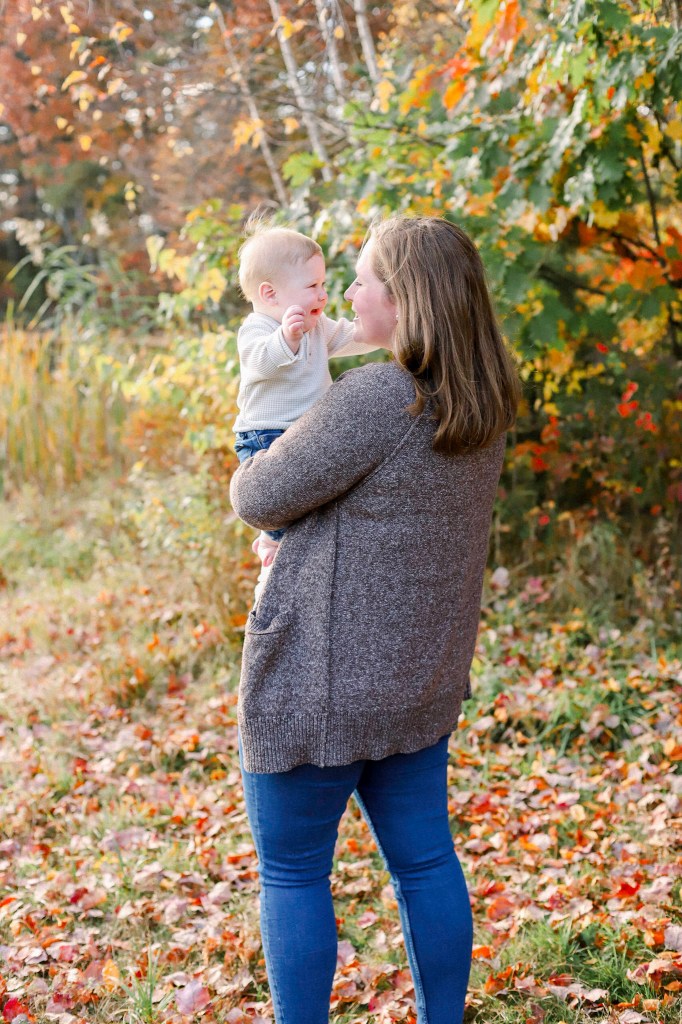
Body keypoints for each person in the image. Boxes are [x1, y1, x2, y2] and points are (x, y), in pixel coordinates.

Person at [229, 215, 520, 1024]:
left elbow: (257, 495)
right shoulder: (481, 400)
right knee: (425, 864)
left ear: (407, 298)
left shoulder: (376, 397)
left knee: (293, 873)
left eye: (363, 280)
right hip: (419, 682)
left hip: (321, 687)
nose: (349, 294)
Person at [234, 221, 378, 586]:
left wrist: (387, 333)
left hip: (306, 434)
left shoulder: (316, 327)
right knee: (284, 507)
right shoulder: (257, 330)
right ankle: (272, 544)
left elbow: (351, 335)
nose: (323, 296)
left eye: (323, 285)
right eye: (313, 287)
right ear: (270, 294)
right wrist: (286, 338)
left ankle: (277, 543)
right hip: (266, 435)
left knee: (312, 505)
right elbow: (260, 362)